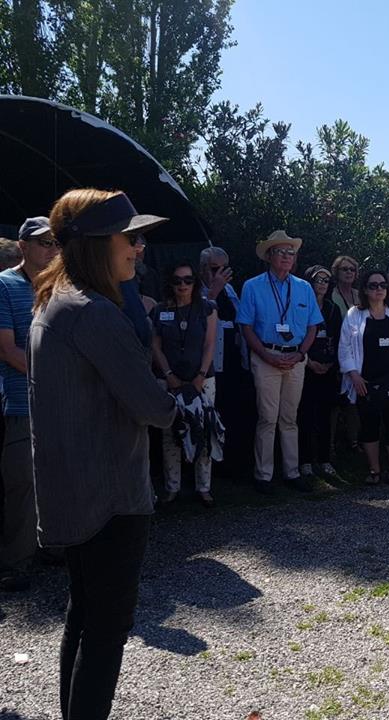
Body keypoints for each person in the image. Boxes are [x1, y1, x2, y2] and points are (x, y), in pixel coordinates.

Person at [30, 189, 176, 720]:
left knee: (85, 618)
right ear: (97, 244)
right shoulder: (95, 313)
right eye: (128, 237)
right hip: (110, 499)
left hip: (77, 494)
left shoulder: (54, 301)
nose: (138, 249)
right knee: (106, 630)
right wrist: (179, 406)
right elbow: (153, 406)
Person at [237, 230, 322, 495]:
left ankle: (291, 472)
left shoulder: (304, 287)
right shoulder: (252, 286)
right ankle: (263, 476)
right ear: (270, 256)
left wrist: (300, 355)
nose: (287, 257)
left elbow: (312, 327)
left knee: (289, 417)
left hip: (295, 358)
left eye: (291, 253)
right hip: (266, 358)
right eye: (282, 252)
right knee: (267, 418)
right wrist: (266, 355)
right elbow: (246, 327)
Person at [0, 217, 59, 592]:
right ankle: (14, 563)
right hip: (23, 402)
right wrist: (52, 377)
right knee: (22, 483)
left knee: (57, 479)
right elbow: (7, 349)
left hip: (61, 403)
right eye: (43, 243)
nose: (51, 250)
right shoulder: (4, 286)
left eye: (55, 243)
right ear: (22, 247)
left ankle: (50, 547)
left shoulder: (61, 286)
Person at [339, 269, 389, 487]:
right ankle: (374, 470)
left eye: (383, 285)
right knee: (369, 426)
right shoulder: (355, 314)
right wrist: (353, 374)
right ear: (365, 289)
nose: (379, 289)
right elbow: (344, 347)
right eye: (373, 286)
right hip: (366, 382)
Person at [151, 261, 218, 508]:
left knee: (203, 429)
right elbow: (155, 345)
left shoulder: (207, 308)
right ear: (171, 283)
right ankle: (172, 487)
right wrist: (168, 374)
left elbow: (210, 343)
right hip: (169, 379)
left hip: (202, 378)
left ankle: (204, 487)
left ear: (195, 282)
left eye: (188, 280)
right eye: (178, 281)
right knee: (170, 433)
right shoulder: (160, 310)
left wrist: (200, 375)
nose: (183, 285)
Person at [199, 246, 256, 482]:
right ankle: (209, 471)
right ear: (203, 268)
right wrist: (213, 291)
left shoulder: (231, 290)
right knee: (210, 419)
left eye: (224, 269)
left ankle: (234, 467)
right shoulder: (196, 290)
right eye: (215, 269)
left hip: (233, 364)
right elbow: (196, 318)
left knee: (234, 415)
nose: (220, 274)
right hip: (209, 367)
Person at [297, 265, 343, 482]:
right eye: (318, 280)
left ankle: (325, 459)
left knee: (326, 415)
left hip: (328, 368)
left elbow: (339, 338)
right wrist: (309, 362)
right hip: (306, 366)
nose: (322, 285)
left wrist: (332, 363)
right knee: (305, 415)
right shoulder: (300, 306)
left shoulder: (333, 309)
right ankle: (305, 461)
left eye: (326, 281)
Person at [329, 255, 360, 319]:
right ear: (336, 272)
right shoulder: (330, 295)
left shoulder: (360, 295)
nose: (349, 272)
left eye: (352, 269)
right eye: (344, 269)